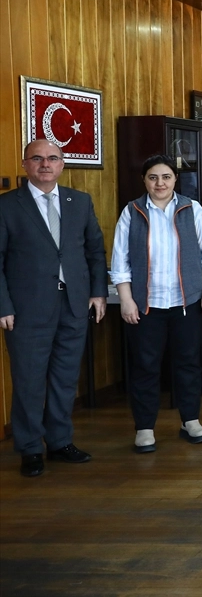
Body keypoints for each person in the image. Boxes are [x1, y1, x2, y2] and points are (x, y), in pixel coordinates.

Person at [0, 140, 107, 477]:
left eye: (52, 158)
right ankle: (31, 448)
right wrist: (3, 305)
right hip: (26, 310)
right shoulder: (7, 206)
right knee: (29, 381)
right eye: (37, 158)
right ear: (25, 164)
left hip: (74, 304)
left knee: (64, 379)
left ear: (62, 164)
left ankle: (60, 442)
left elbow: (95, 250)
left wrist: (98, 293)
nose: (45, 164)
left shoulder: (80, 201)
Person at [111, 154, 202, 454]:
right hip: (146, 305)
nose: (160, 183)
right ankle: (145, 428)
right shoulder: (132, 212)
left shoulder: (192, 209)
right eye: (153, 177)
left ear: (175, 179)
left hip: (187, 302)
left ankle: (190, 421)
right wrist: (126, 300)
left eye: (166, 177)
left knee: (188, 363)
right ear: (144, 180)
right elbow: (120, 262)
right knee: (145, 366)